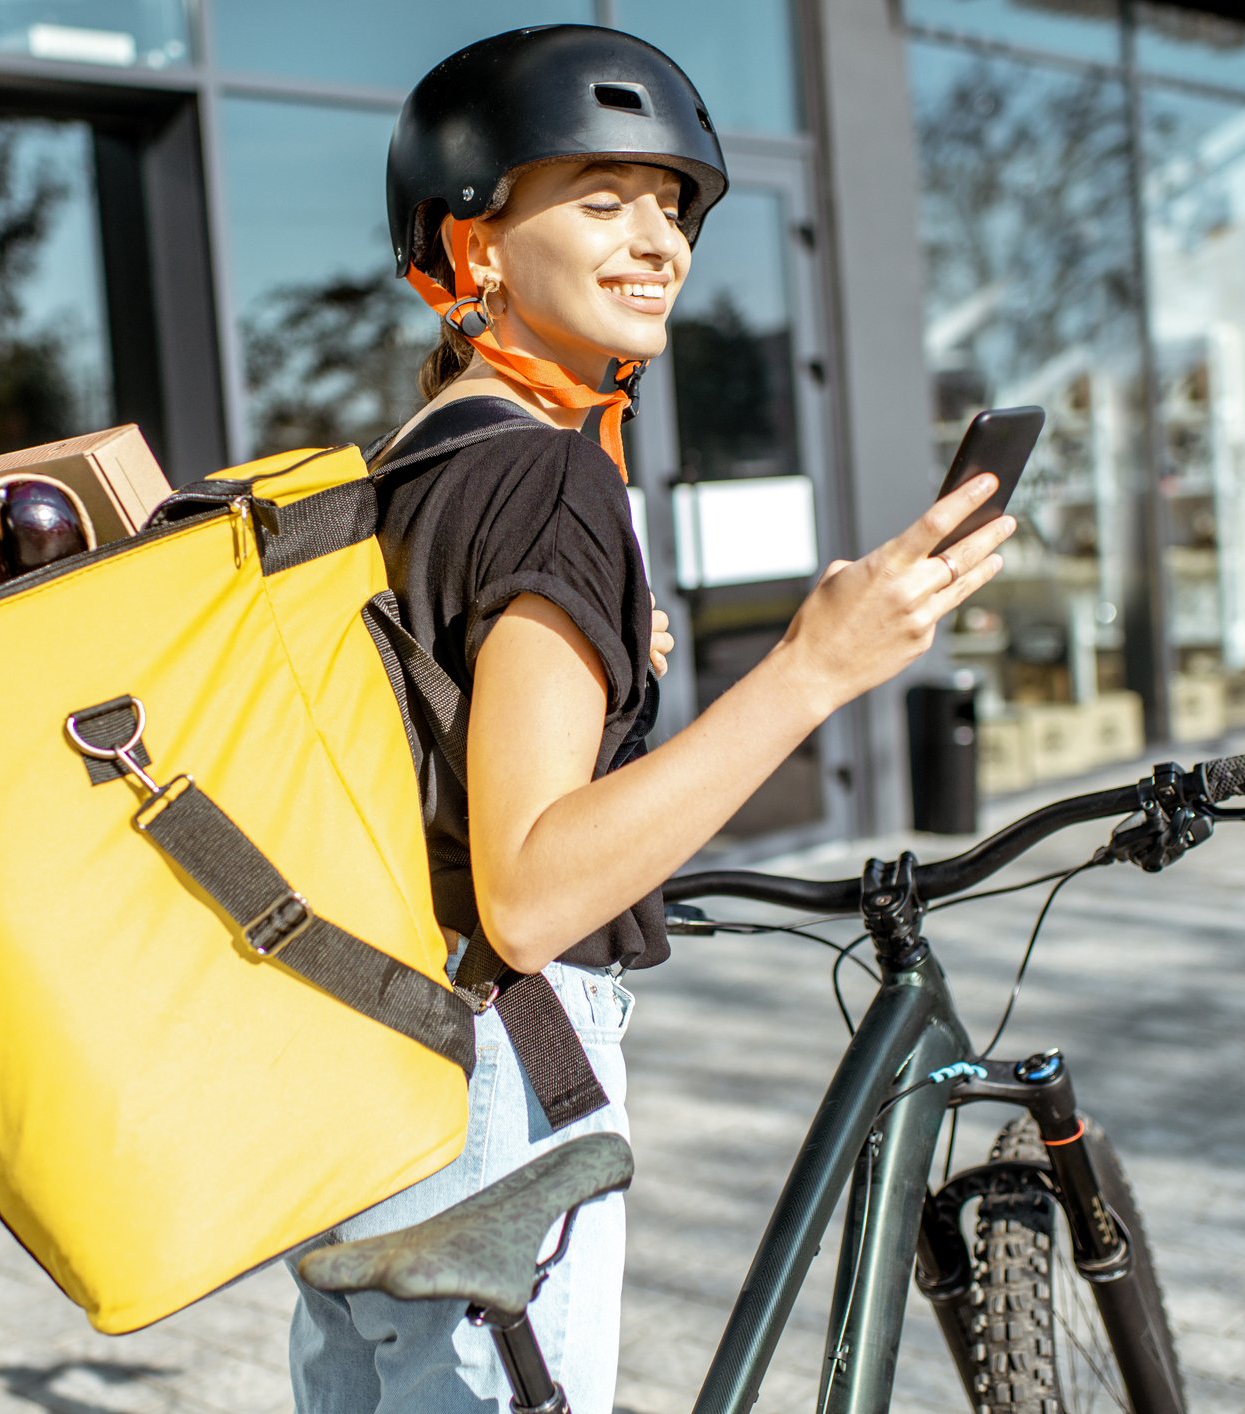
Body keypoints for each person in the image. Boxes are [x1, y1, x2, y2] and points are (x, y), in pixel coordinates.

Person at [284, 26, 1013, 1414]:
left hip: (354, 1073)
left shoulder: (417, 462)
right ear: (475, 243)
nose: (659, 238)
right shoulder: (551, 476)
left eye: (672, 205)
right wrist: (814, 664)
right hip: (490, 1098)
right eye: (603, 196)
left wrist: (614, 662)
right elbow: (531, 890)